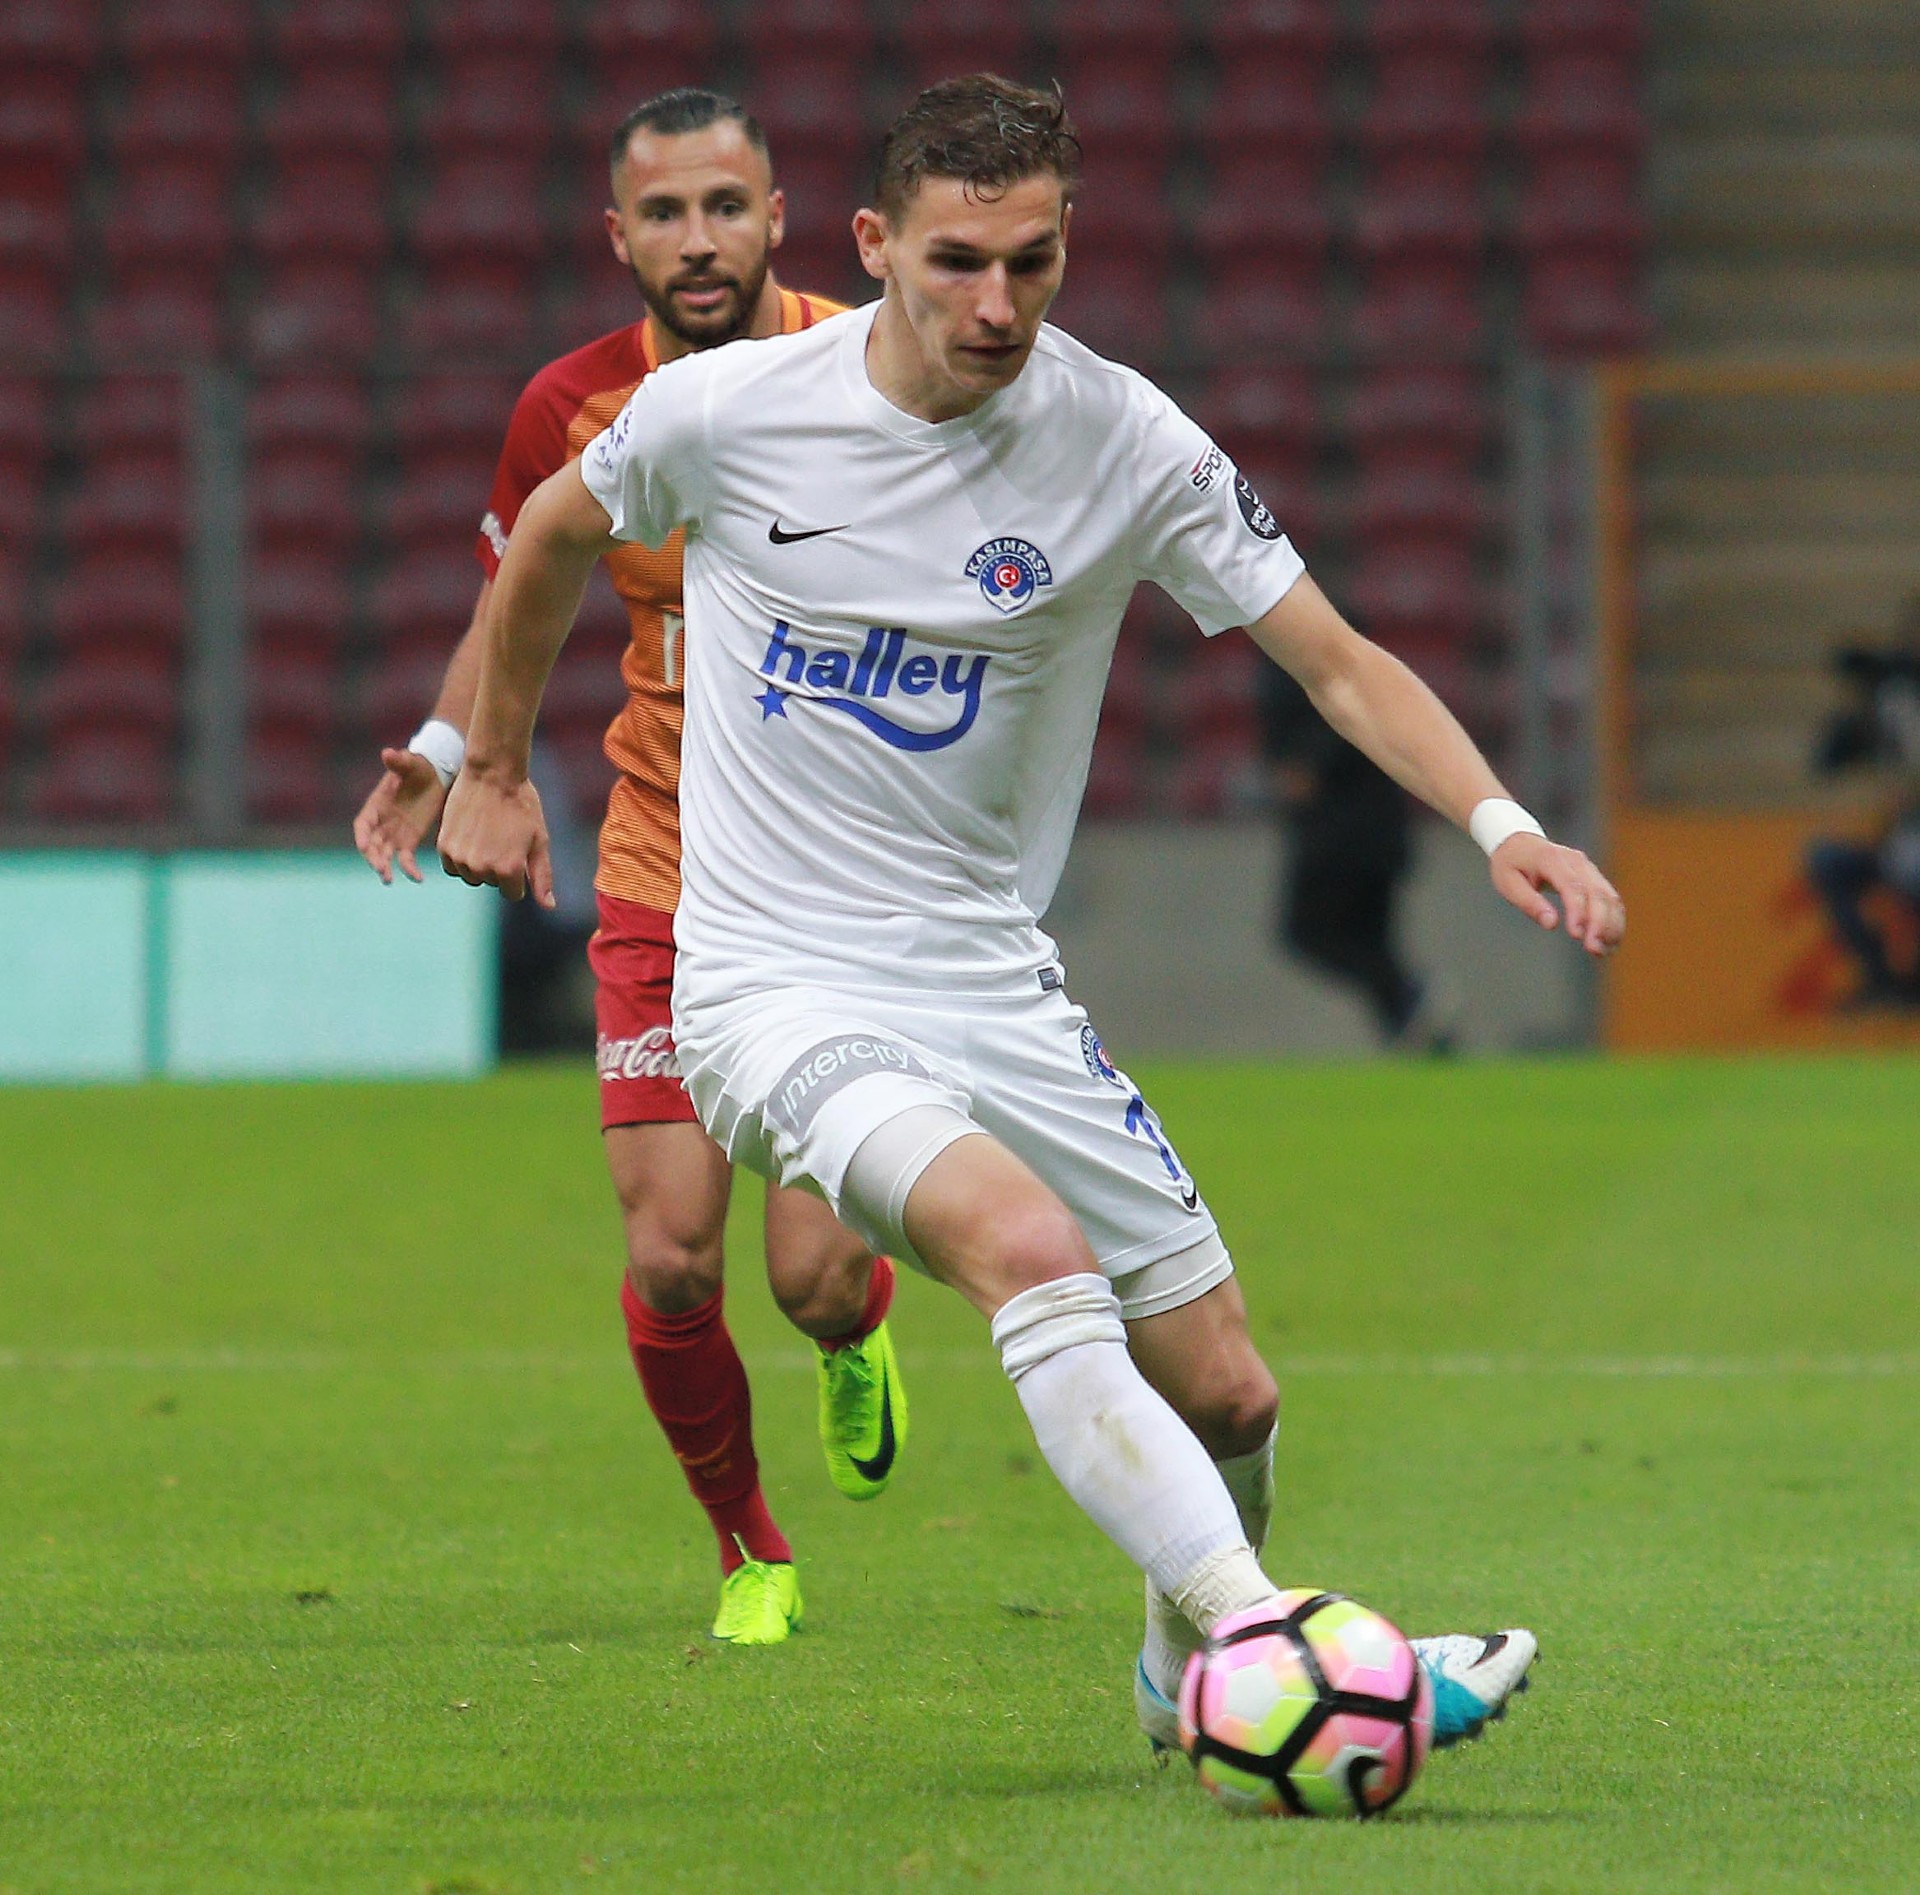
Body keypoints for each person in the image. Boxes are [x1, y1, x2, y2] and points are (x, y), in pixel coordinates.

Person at [436, 76, 1626, 1753]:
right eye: (958, 262)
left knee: (1229, 1392)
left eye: (1033, 263)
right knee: (1027, 1250)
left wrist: (1504, 822)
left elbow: (1336, 659)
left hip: (990, 977)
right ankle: (1290, 1657)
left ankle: (1175, 1662)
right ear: (873, 246)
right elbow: (552, 533)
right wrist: (492, 763)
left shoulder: (1123, 438)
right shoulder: (729, 411)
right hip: (774, 983)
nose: (997, 305)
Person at [353, 89, 906, 1648]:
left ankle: (853, 1333)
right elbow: (513, 592)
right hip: (666, 863)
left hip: (842, 879)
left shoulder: (878, 364)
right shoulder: (574, 404)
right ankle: (750, 1549)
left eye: (725, 206)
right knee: (670, 1254)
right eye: (665, 213)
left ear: (779, 215)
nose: (698, 238)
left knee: (813, 1276)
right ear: (620, 236)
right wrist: (450, 752)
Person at [1259, 664, 1445, 1048]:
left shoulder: (1301, 651)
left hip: (1342, 836)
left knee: (1309, 933)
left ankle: (1409, 997)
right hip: (1377, 829)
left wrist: (1306, 764)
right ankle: (1417, 1030)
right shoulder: (1346, 647)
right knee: (1372, 945)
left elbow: (1339, 710)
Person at [1806, 619, 1920, 1009]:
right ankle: (1880, 975)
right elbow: (1831, 763)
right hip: (1899, 839)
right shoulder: (1892, 696)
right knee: (1829, 861)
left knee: (1911, 866)